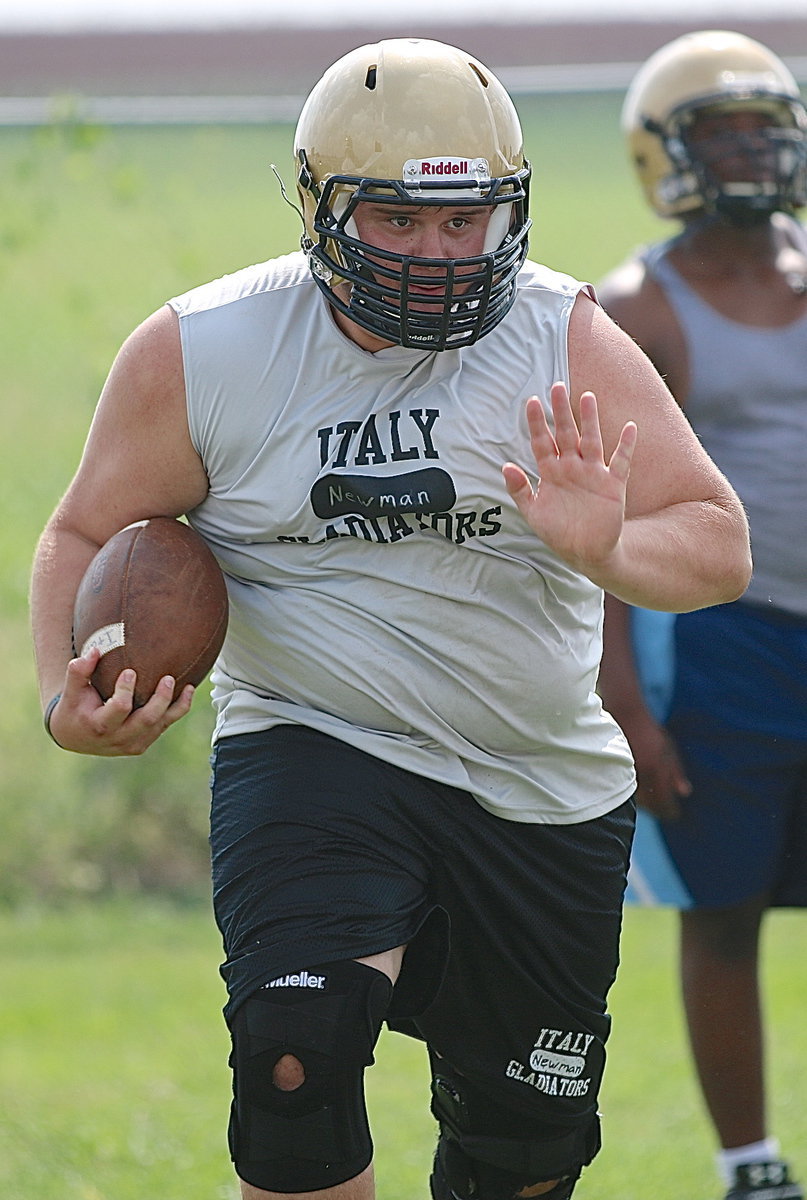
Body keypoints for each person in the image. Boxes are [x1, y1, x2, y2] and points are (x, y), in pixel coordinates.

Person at [30, 37, 750, 1200]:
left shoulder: (561, 338)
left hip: (537, 784)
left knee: (518, 1159)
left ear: (507, 212)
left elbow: (717, 547)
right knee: (291, 1066)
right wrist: (70, 694)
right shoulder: (206, 352)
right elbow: (82, 532)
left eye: (463, 222)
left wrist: (606, 544)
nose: (435, 255)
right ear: (319, 211)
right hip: (317, 742)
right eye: (397, 223)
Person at [597, 29, 807, 1200]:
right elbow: (608, 526)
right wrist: (623, 699)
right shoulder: (642, 305)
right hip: (721, 643)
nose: (747, 151)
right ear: (665, 154)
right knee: (722, 912)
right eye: (718, 132)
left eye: (761, 127)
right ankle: (752, 1166)